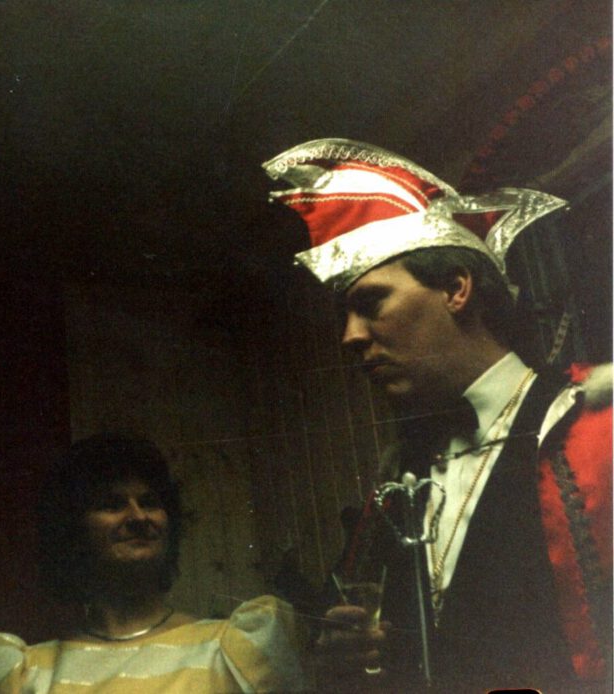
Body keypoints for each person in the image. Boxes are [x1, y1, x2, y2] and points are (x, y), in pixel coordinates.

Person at [262, 138, 611, 691]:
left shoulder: (595, 425)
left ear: (455, 289)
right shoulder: (397, 481)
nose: (350, 337)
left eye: (371, 304)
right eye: (344, 317)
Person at [0, 433, 309, 693]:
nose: (138, 517)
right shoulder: (29, 674)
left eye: (149, 502)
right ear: (72, 529)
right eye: (112, 504)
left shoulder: (232, 651)